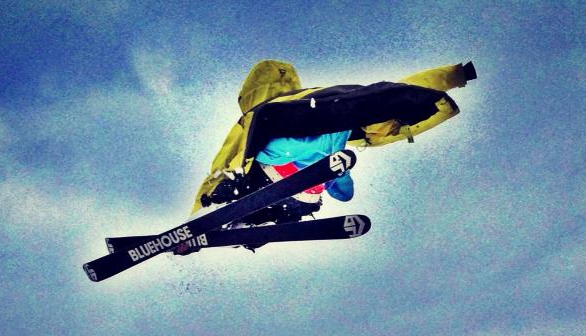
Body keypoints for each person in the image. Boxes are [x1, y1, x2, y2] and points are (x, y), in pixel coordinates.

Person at [193, 58, 477, 225]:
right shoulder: (324, 99)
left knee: (246, 173)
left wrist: (202, 208)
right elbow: (399, 88)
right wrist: (455, 75)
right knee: (327, 175)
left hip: (271, 171)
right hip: (308, 191)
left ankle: (235, 208)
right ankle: (264, 218)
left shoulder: (258, 115)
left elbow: (224, 160)